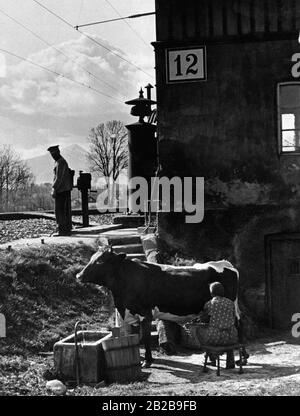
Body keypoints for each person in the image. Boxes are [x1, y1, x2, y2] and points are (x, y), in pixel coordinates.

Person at [192, 282, 239, 369]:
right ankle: (230, 361)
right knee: (228, 330)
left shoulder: (209, 304)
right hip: (232, 337)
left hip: (215, 338)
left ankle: (212, 359)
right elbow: (234, 318)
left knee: (202, 331)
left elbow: (205, 320)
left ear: (211, 293)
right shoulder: (230, 303)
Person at [47, 145, 73, 236]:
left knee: (60, 211)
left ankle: (62, 230)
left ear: (57, 153)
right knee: (62, 210)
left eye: (53, 153)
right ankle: (65, 229)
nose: (52, 155)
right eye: (51, 154)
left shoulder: (61, 162)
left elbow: (59, 178)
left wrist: (54, 188)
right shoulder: (59, 162)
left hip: (61, 190)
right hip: (63, 190)